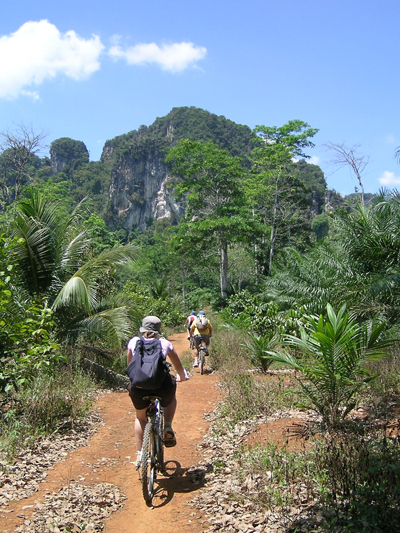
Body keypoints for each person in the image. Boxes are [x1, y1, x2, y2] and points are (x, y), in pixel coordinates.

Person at [127, 316, 188, 466]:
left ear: (143, 329)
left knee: (140, 418)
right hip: (162, 387)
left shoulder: (134, 342)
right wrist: (182, 377)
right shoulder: (164, 343)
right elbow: (178, 365)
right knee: (171, 398)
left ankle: (141, 453)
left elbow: (130, 367)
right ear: (158, 329)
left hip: (139, 389)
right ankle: (167, 424)